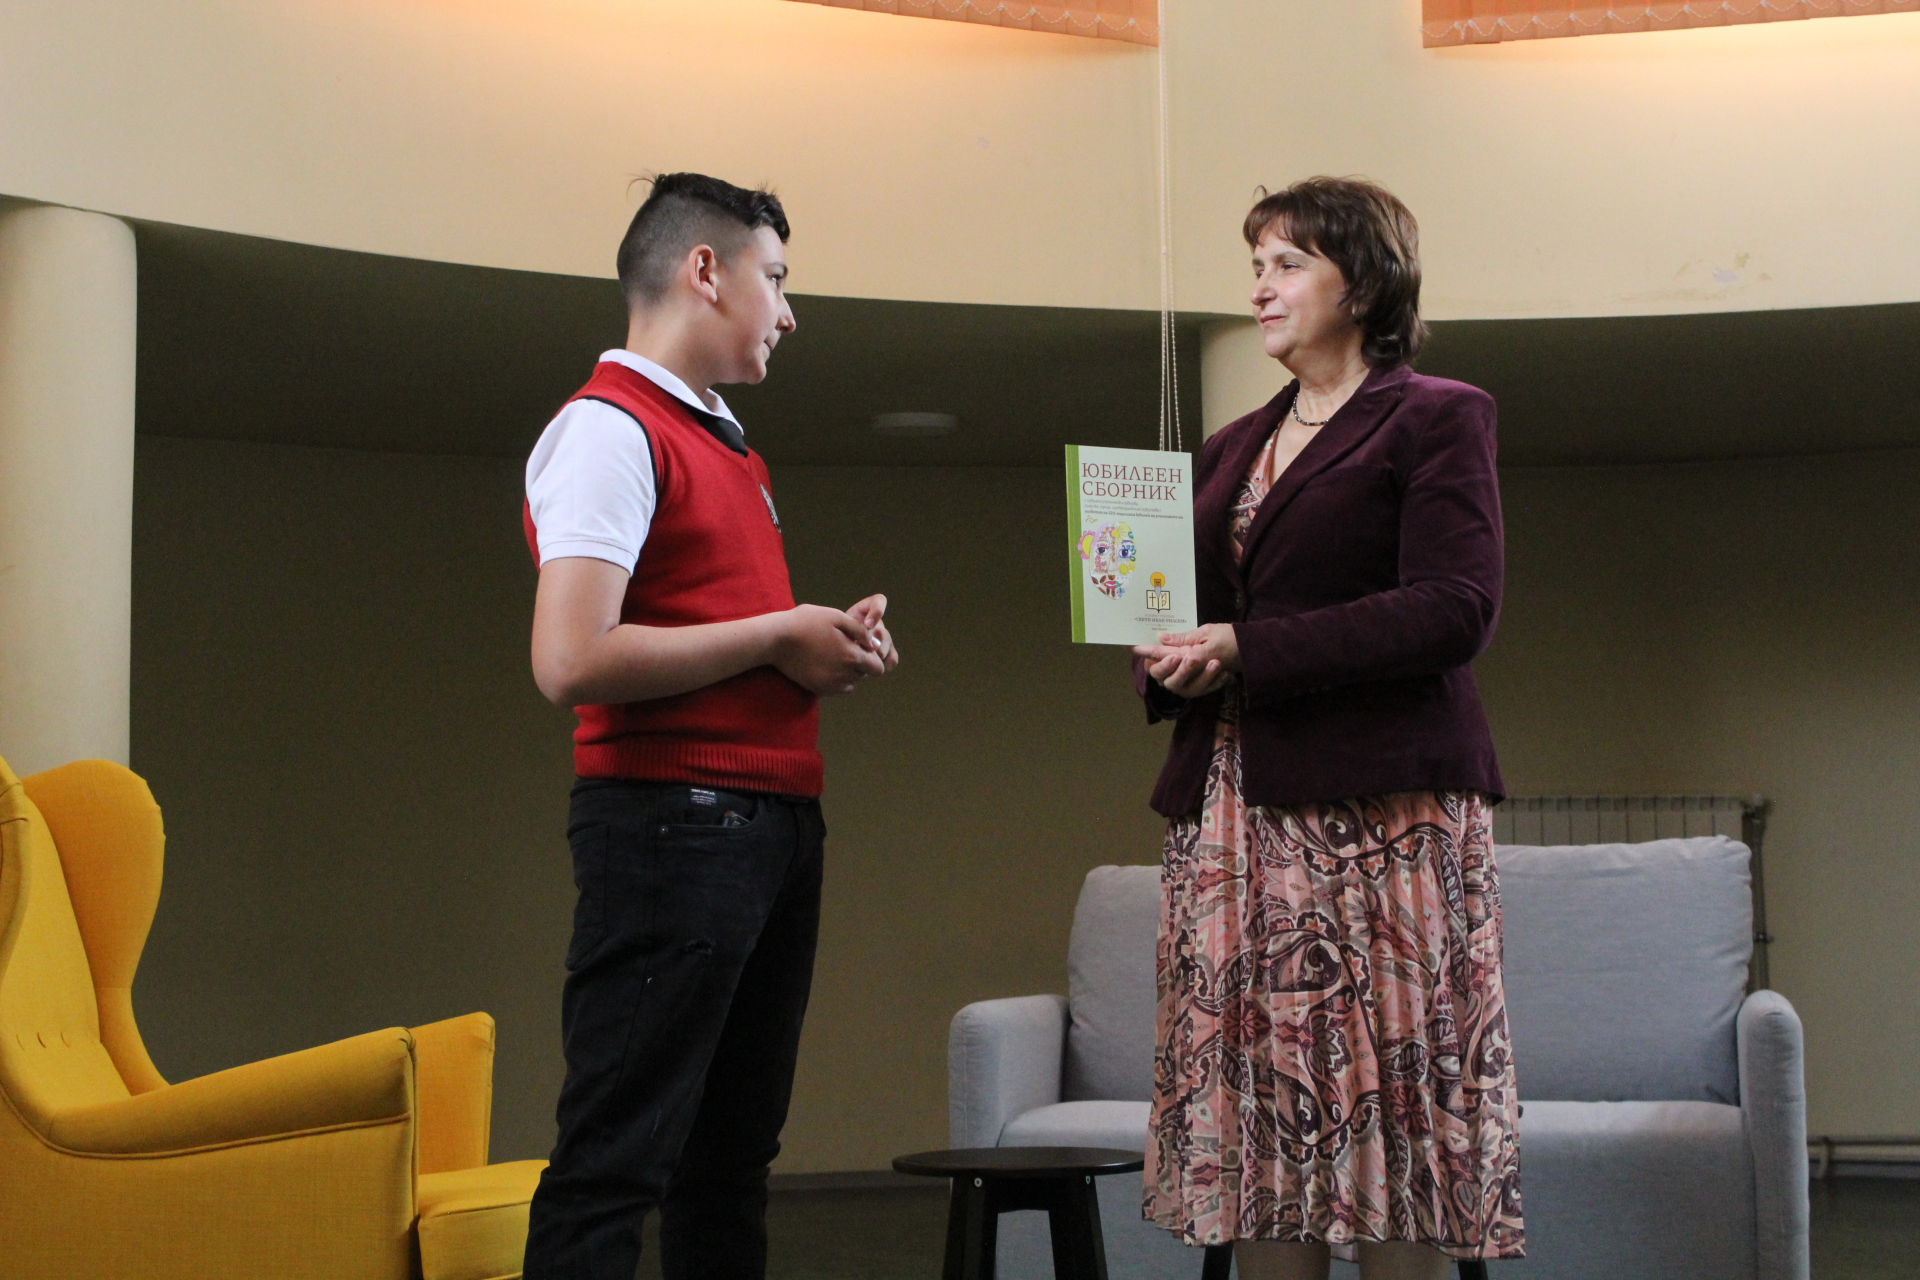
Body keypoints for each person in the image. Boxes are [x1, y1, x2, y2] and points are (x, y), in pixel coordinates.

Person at [1132, 177, 1523, 1280]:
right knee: (1264, 1118)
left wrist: (1249, 647)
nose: (1261, 287)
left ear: (1364, 284)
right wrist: (1172, 653)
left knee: (1391, 1108)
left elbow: (1456, 608)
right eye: (1255, 265)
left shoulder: (1440, 413)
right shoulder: (1227, 447)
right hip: (1232, 820)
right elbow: (1197, 616)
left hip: (1381, 814)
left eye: (1289, 264)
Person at [519, 173, 899, 1280]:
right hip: (674, 822)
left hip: (769, 823)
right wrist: (780, 633)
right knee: (617, 1155)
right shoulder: (609, 428)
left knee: (729, 1158)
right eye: (775, 278)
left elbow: (715, 632)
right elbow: (570, 659)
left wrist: (818, 646)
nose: (788, 312)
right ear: (705, 271)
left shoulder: (729, 445)